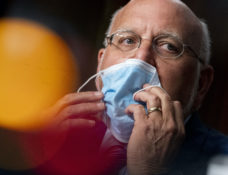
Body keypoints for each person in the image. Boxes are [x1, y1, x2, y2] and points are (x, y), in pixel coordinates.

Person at [45, 0, 228, 174]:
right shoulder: (55, 141)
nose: (140, 59)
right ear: (100, 65)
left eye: (169, 46)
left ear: (201, 84)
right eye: (127, 40)